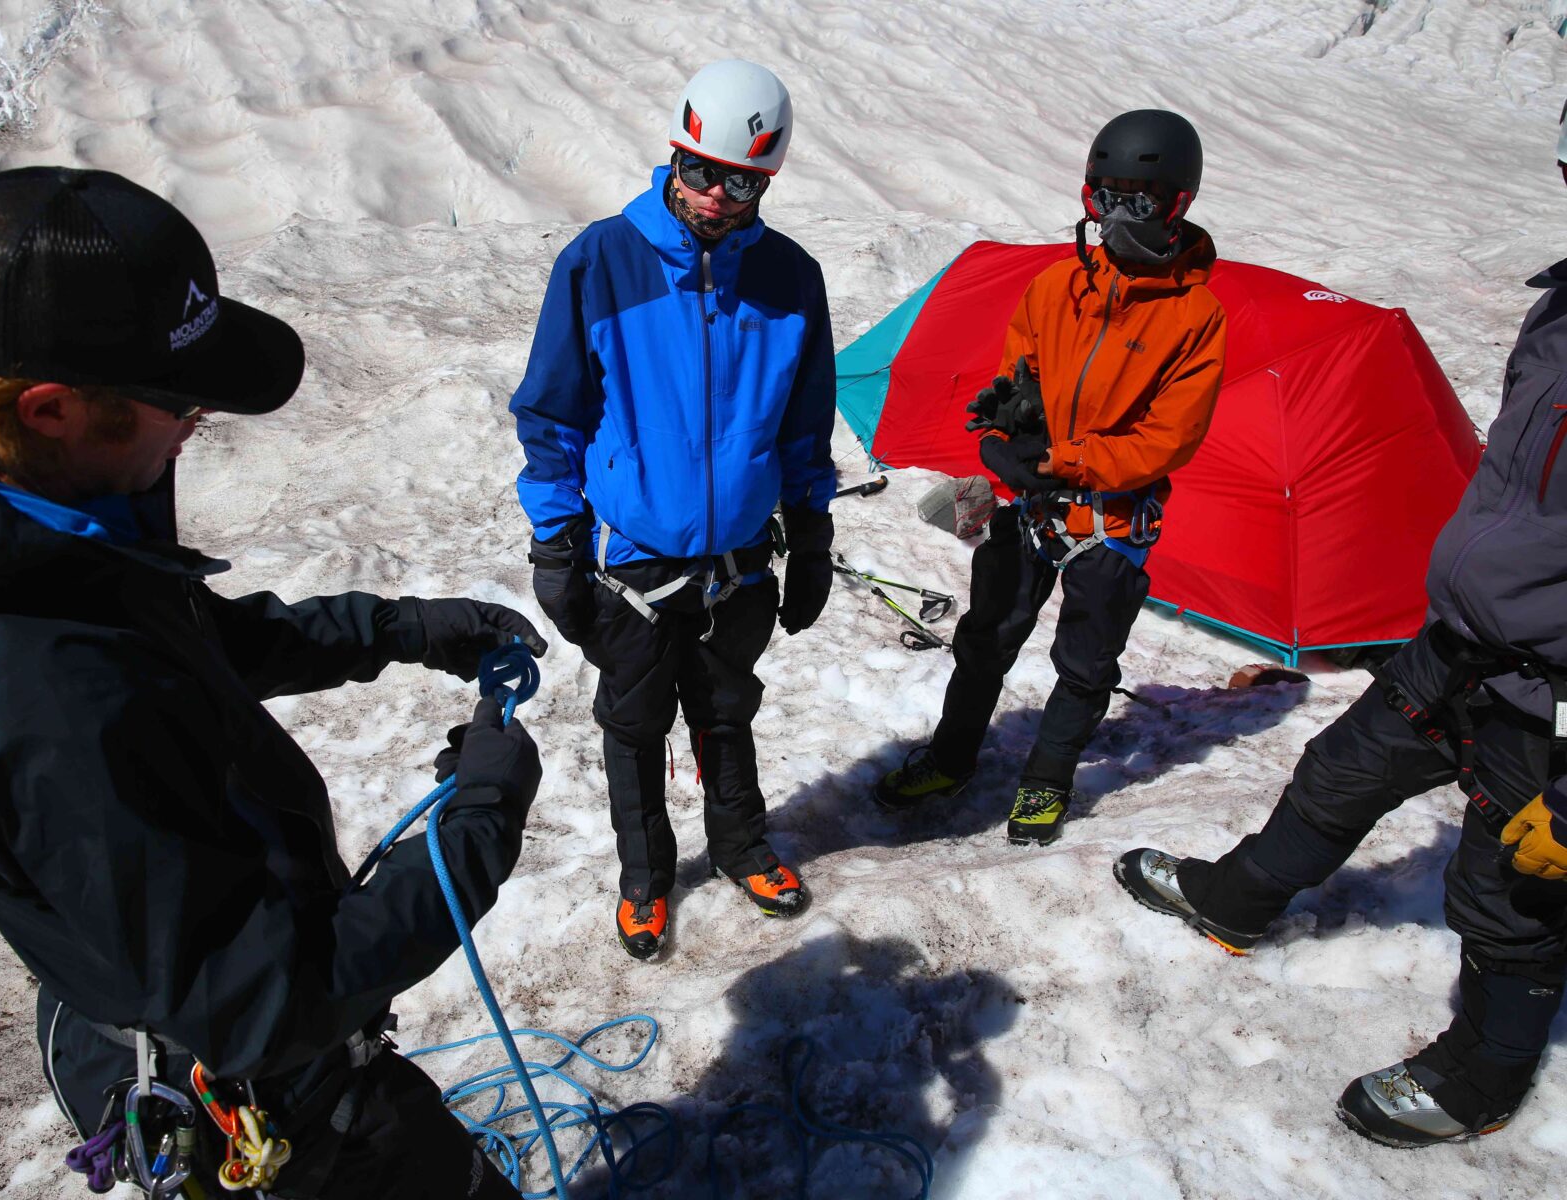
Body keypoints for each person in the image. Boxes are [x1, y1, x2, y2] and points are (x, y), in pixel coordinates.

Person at [0, 166, 544, 1198]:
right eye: (178, 404)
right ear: (49, 406)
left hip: (177, 998)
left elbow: (161, 642)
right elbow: (267, 1001)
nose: (194, 426)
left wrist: (393, 629)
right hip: (244, 1089)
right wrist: (480, 820)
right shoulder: (36, 700)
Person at [1112, 114, 1567, 1147]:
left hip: (1555, 695)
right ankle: (1236, 897)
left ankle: (1481, 1077)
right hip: (1461, 639)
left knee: (1512, 895)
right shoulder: (1562, 307)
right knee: (1341, 768)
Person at [510, 59, 837, 961]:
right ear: (674, 154)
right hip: (634, 560)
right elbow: (551, 412)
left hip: (738, 559)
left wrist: (811, 532)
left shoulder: (788, 278)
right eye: (701, 172)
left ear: (766, 180)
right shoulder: (602, 262)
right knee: (635, 721)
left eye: (742, 182)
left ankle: (740, 846)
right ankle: (646, 878)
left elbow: (808, 423)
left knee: (727, 709)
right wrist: (555, 537)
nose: (717, 198)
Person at [872, 109, 1227, 846]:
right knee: (985, 638)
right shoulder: (1054, 287)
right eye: (1106, 194)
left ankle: (1046, 781)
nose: (1116, 214)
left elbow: (1168, 439)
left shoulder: (1196, 318)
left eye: (1140, 198)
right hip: (1033, 505)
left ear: (1178, 204)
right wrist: (1005, 421)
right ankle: (950, 758)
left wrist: (1060, 461)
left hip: (1111, 518)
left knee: (1087, 662)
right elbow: (1020, 371)